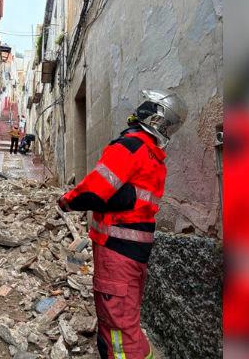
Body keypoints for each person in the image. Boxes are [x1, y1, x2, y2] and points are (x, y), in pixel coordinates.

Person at [57, 89, 188, 359]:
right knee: (128, 317)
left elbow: (94, 191)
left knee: (117, 327)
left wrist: (66, 201)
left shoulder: (131, 146)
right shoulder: (154, 157)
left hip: (115, 251)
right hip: (135, 252)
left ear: (152, 115)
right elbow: (126, 198)